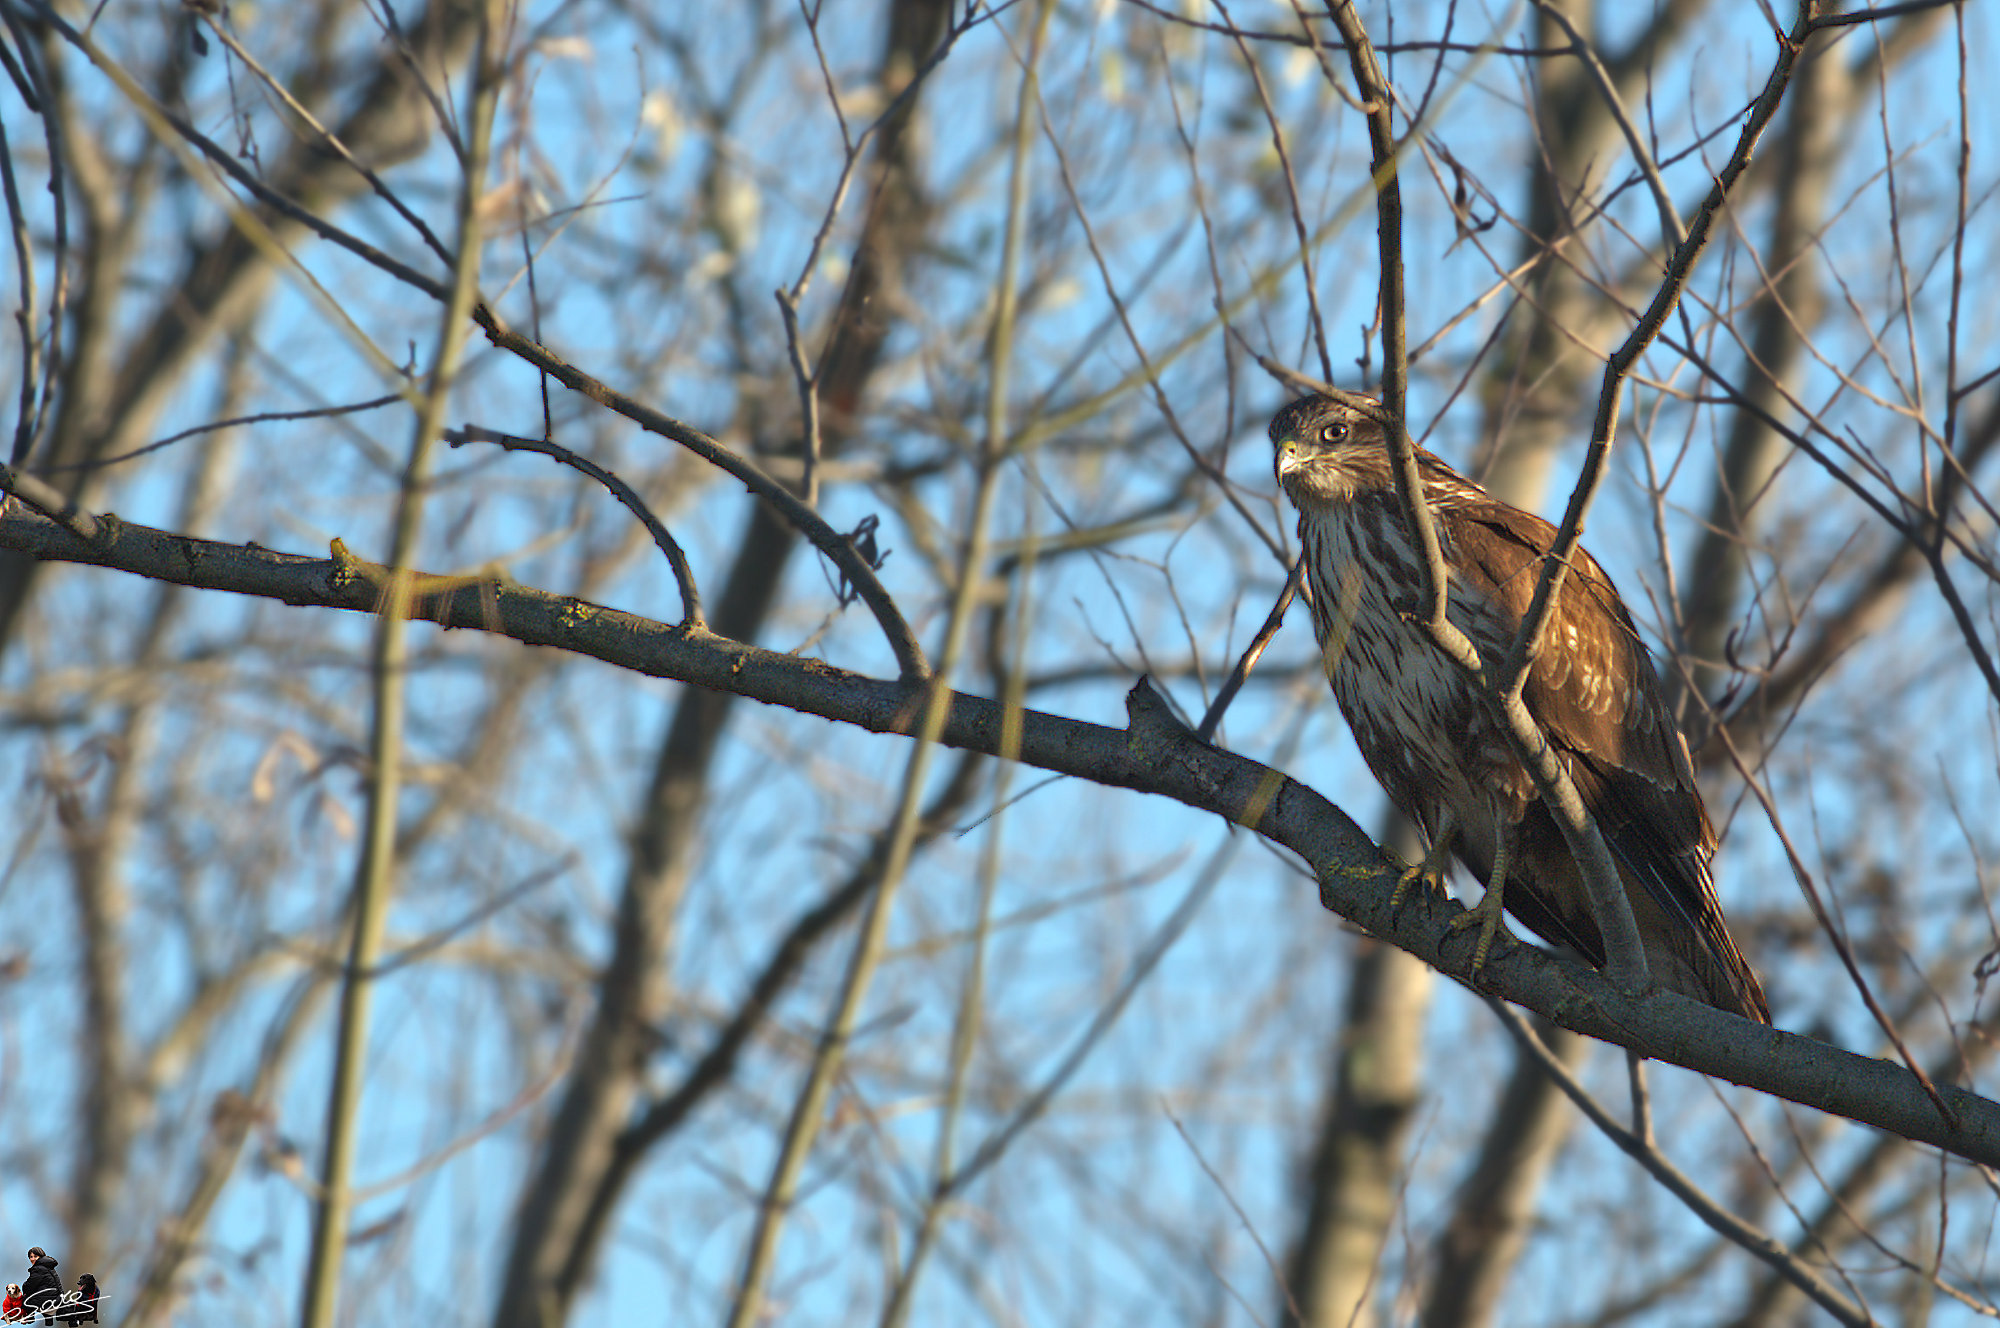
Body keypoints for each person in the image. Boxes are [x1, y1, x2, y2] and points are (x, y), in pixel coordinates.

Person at [17, 1253, 56, 1324]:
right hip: (54, 1297)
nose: (33, 1259)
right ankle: (49, 1321)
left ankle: (29, 1318)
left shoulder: (38, 1269)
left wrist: (24, 1286)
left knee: (26, 1299)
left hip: (45, 1298)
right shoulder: (50, 1268)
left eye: (35, 1256)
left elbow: (30, 1285)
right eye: (31, 1257)